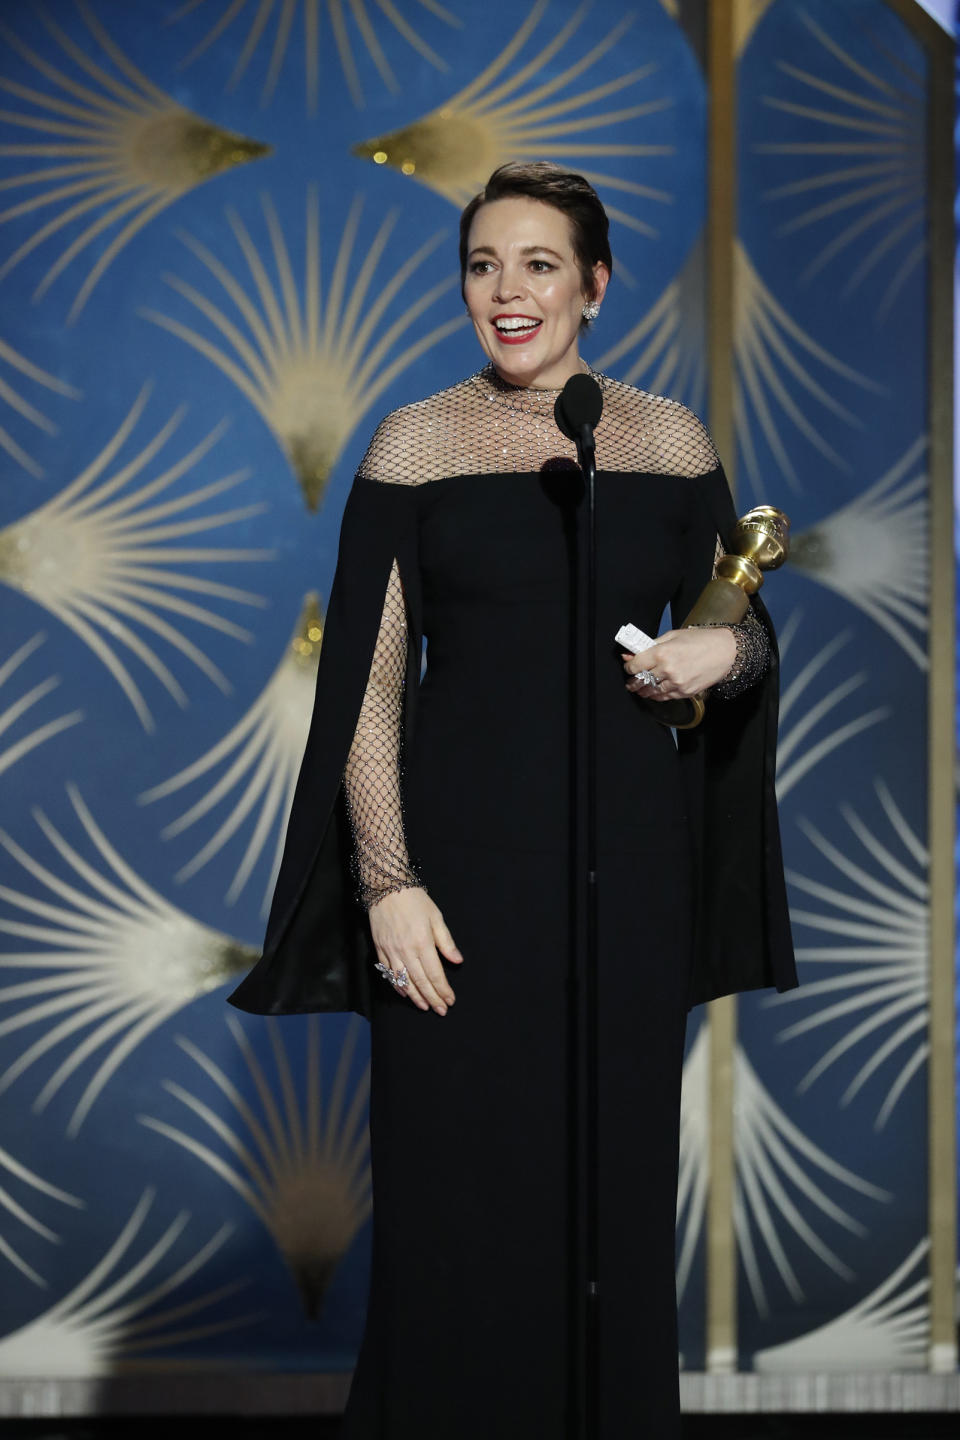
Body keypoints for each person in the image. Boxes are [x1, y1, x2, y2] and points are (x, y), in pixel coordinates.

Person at [228, 162, 797, 1438]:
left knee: (611, 1213)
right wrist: (388, 884)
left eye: (539, 264)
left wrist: (725, 655)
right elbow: (366, 687)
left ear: (595, 286)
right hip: (459, 888)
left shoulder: (666, 442)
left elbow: (740, 637)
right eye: (484, 265)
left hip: (629, 882)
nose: (508, 290)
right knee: (455, 1217)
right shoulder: (416, 441)